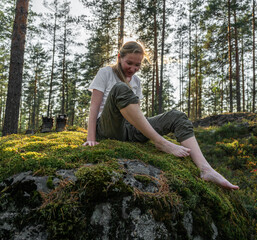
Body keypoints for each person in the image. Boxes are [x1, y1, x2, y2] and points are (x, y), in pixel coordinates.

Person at [83, 41, 239, 190]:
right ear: (119, 57)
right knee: (120, 88)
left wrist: (143, 130)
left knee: (177, 116)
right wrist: (91, 139)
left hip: (128, 129)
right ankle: (160, 142)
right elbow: (94, 107)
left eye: (137, 65)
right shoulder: (106, 73)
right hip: (107, 127)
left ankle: (205, 168)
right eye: (129, 63)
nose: (133, 68)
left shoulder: (136, 81)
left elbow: (135, 112)